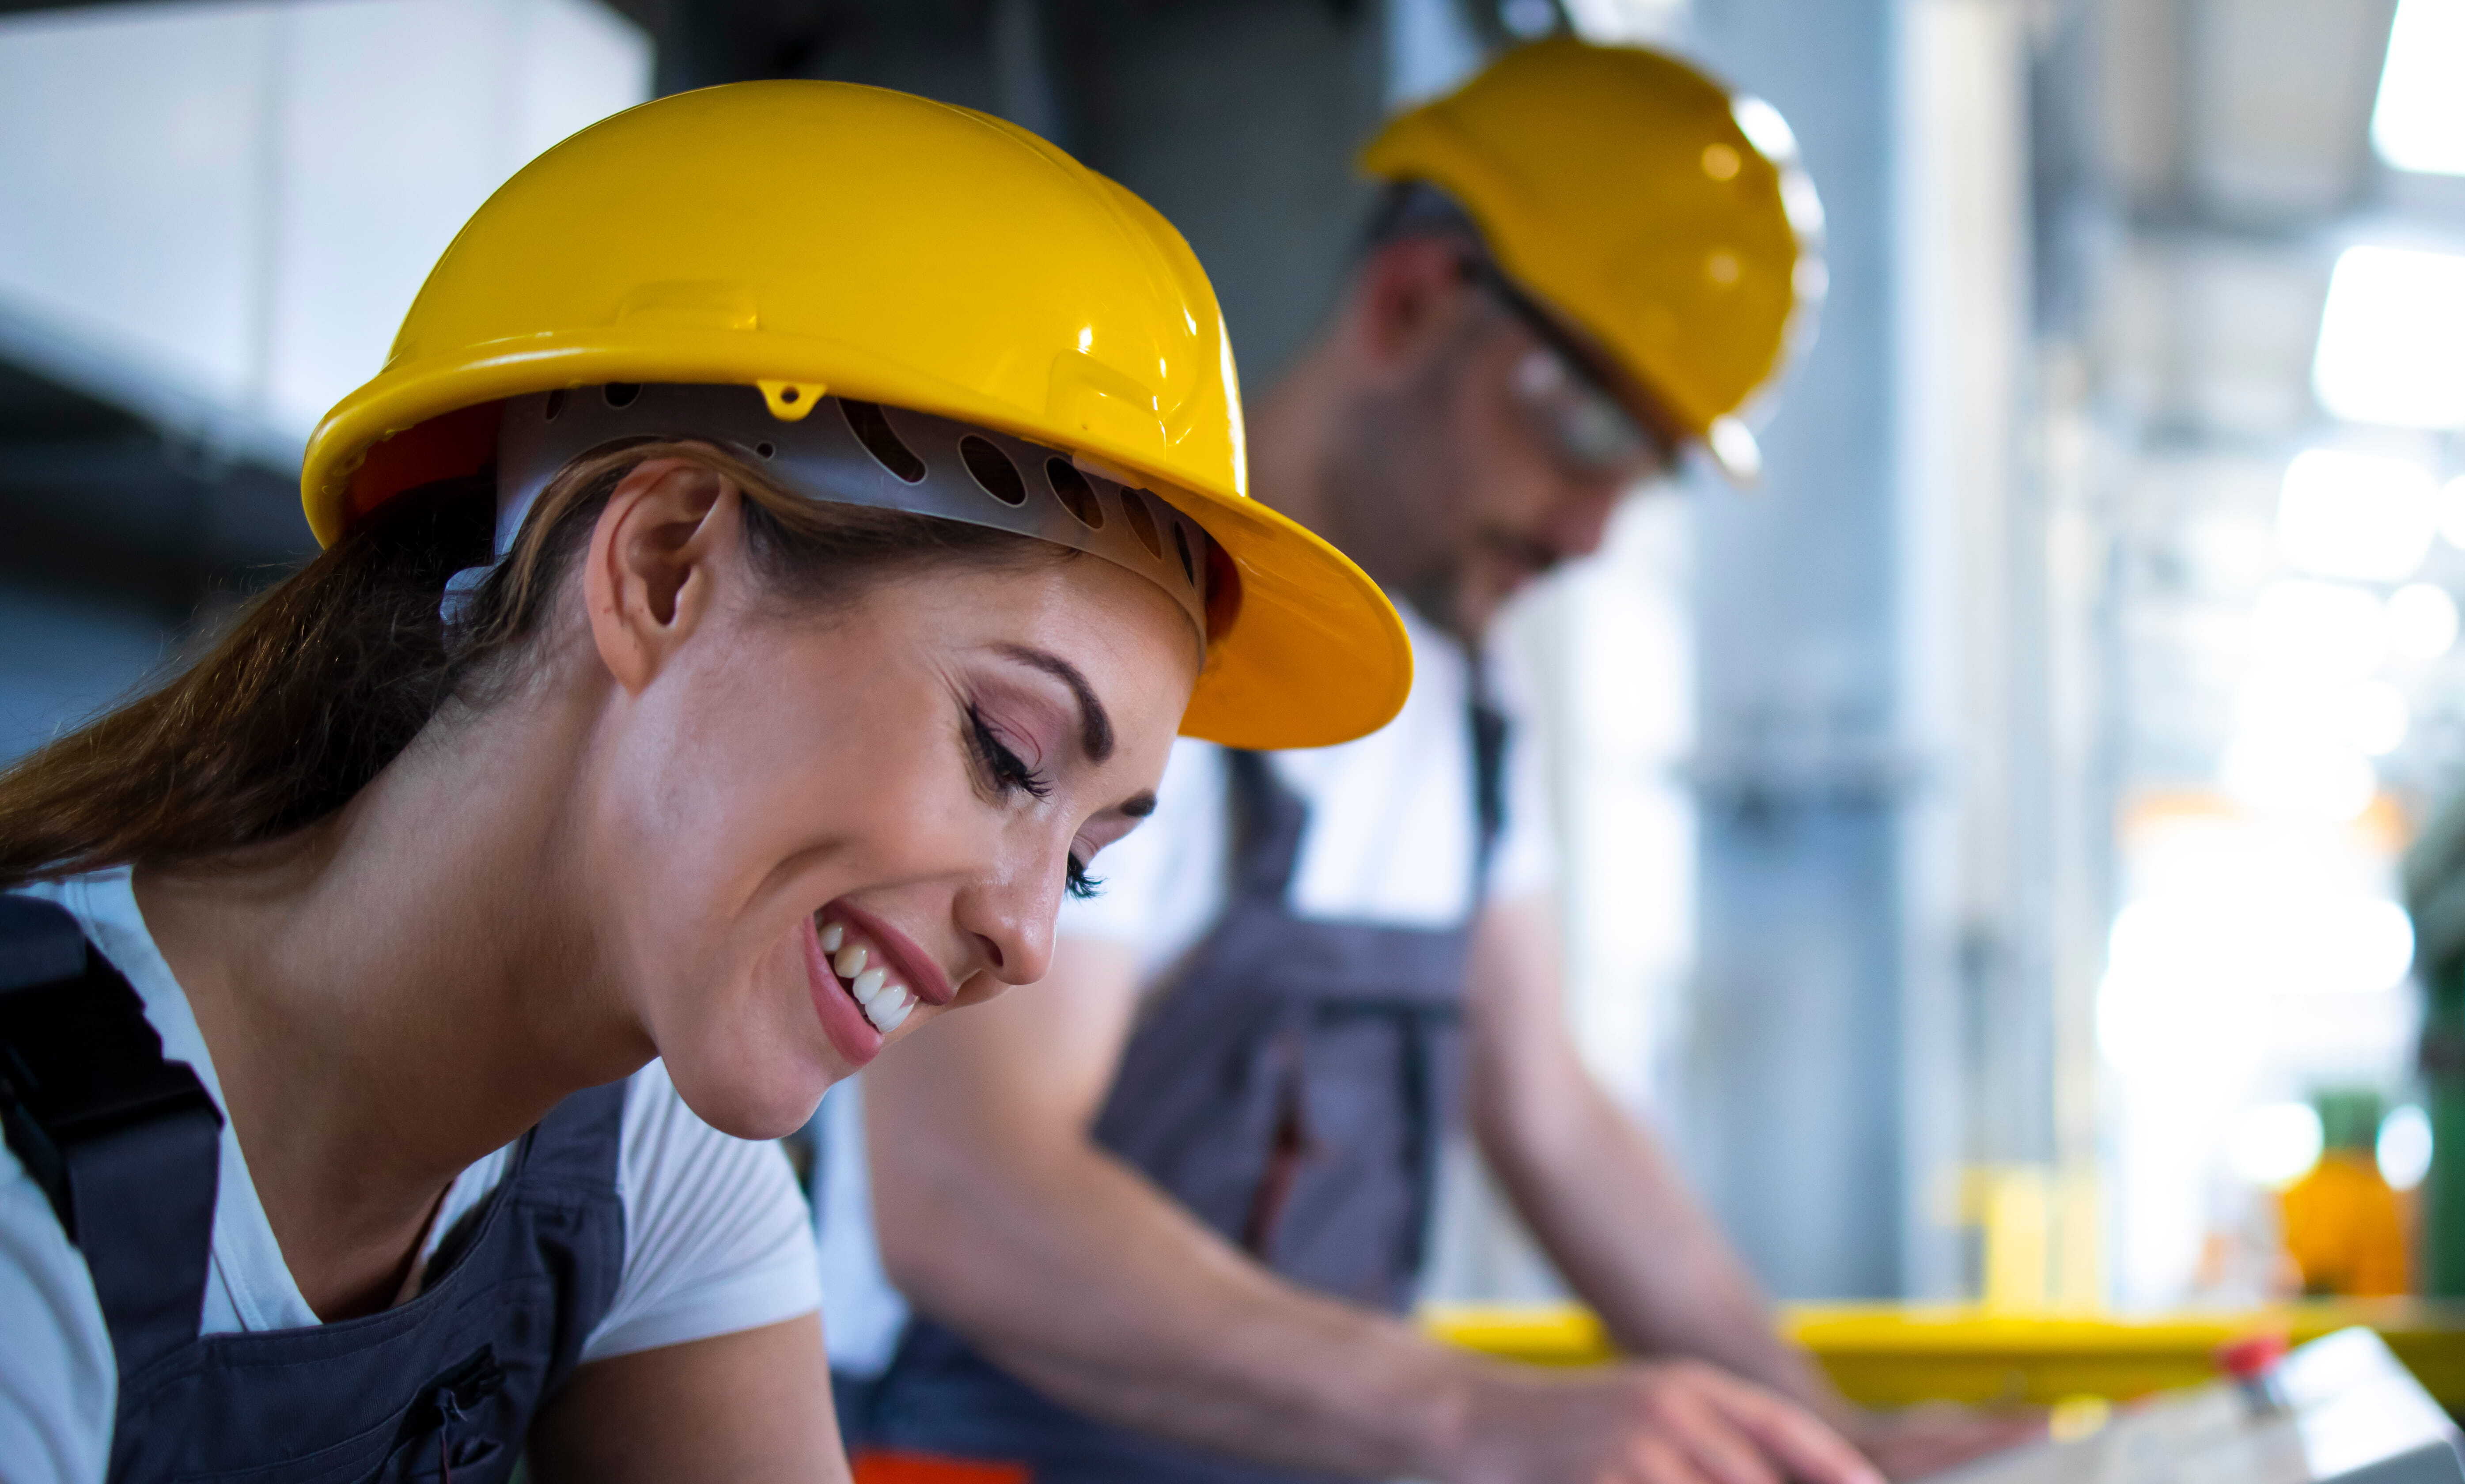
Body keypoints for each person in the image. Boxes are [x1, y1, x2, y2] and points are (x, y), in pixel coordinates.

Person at [0, 80, 1409, 1484]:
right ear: (662, 567)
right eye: (1007, 753)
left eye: (1090, 857)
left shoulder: (644, 1161)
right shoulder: (29, 1207)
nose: (1031, 940)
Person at [826, 38, 2042, 1484]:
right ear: (1411, 308)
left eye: (1643, 469)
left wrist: (1820, 1436)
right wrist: (1475, 1415)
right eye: (1586, 428)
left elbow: (1548, 1110)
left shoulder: (1465, 705)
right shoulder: (1114, 648)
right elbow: (971, 1190)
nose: (1594, 530)